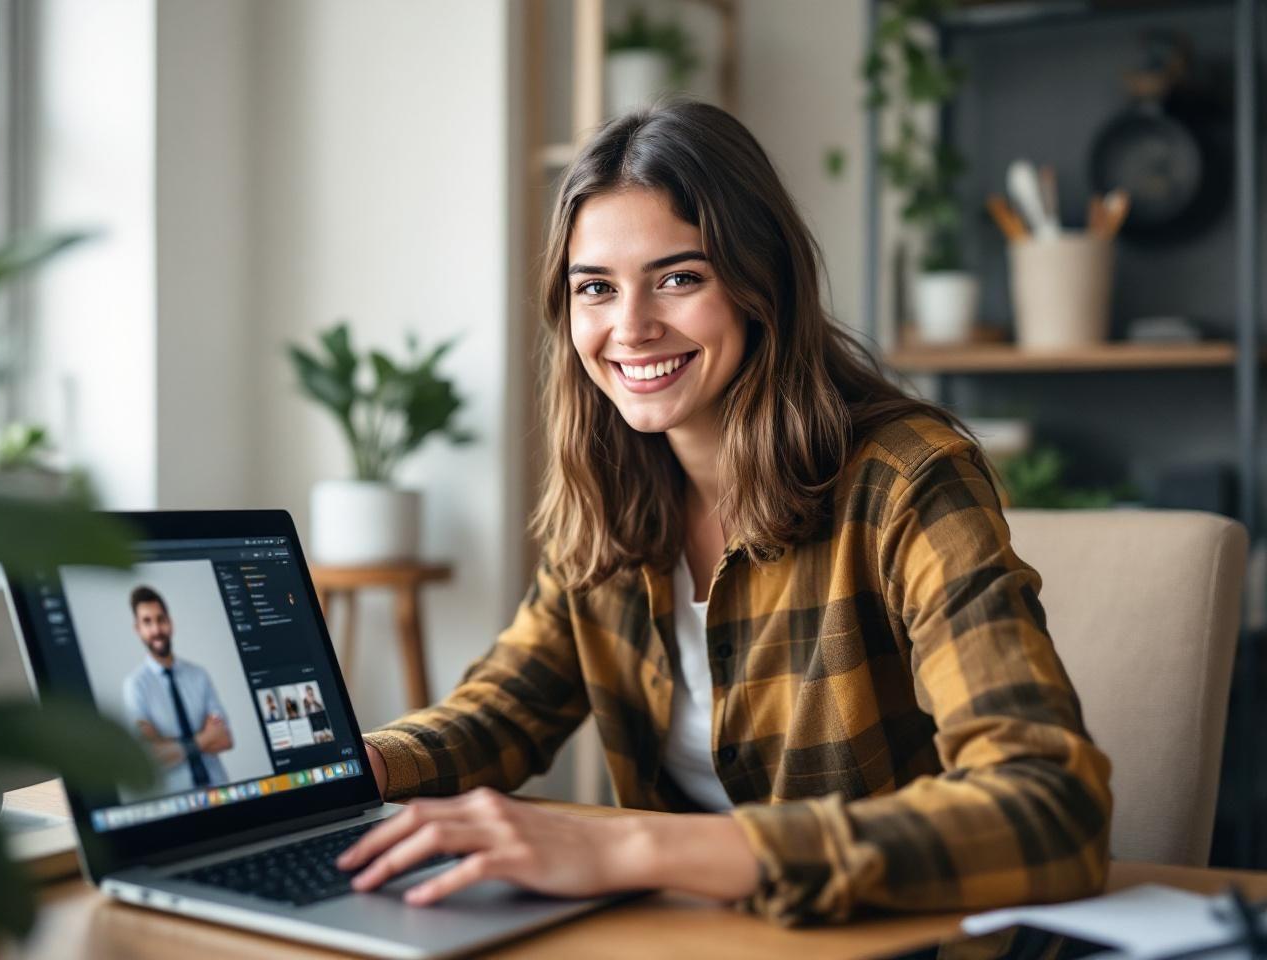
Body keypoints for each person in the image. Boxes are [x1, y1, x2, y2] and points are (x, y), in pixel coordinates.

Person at [337, 101, 1112, 925]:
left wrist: (632, 850)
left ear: (759, 282)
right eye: (595, 288)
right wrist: (349, 769)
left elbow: (1051, 808)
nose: (630, 328)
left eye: (679, 278)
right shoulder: (613, 491)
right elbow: (502, 710)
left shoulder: (910, 479)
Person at [122, 585, 234, 791]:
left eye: (160, 619)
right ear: (138, 629)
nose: (156, 630)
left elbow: (224, 738)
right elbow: (151, 757)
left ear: (170, 623)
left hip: (221, 792)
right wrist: (203, 737)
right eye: (147, 622)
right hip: (179, 804)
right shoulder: (135, 686)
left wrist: (167, 741)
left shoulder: (199, 675)